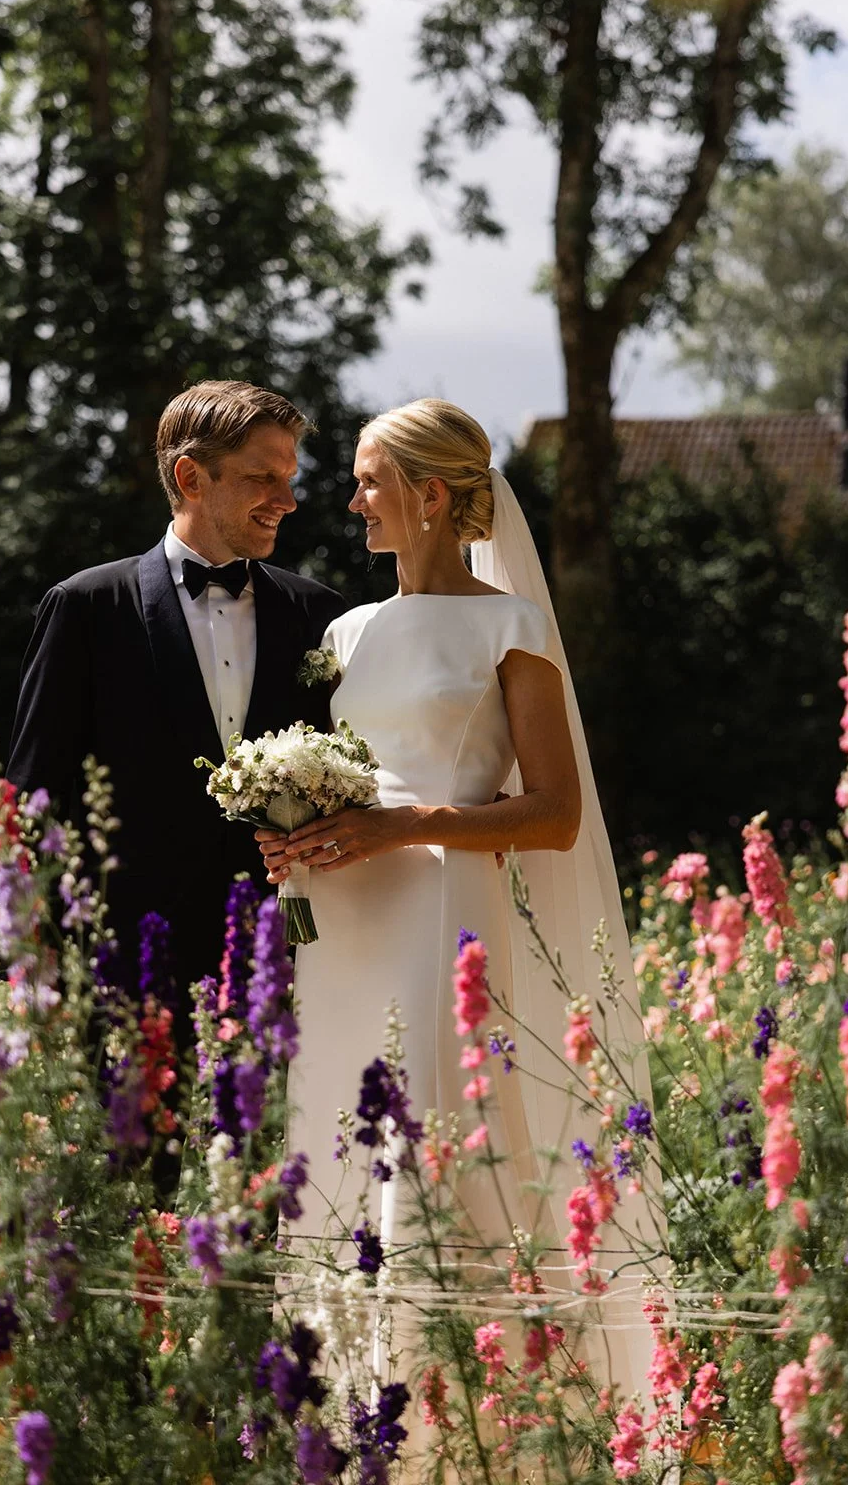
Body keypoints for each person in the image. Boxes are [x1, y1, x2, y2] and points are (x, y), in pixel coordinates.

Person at [258, 398, 660, 1412]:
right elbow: (352, 775)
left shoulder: (510, 626)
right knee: (343, 1140)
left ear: (428, 495)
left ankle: (465, 1417)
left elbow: (556, 811)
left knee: (430, 1132)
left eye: (367, 480)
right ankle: (349, 1410)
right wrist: (293, 829)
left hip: (443, 920)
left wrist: (405, 825)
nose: (349, 501)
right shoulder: (345, 631)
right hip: (343, 928)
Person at [7, 380, 345, 1022]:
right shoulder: (85, 608)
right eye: (262, 478)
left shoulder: (319, 616)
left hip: (286, 960)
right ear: (191, 476)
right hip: (124, 968)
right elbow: (32, 796)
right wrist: (31, 966)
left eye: (289, 477)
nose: (288, 500)